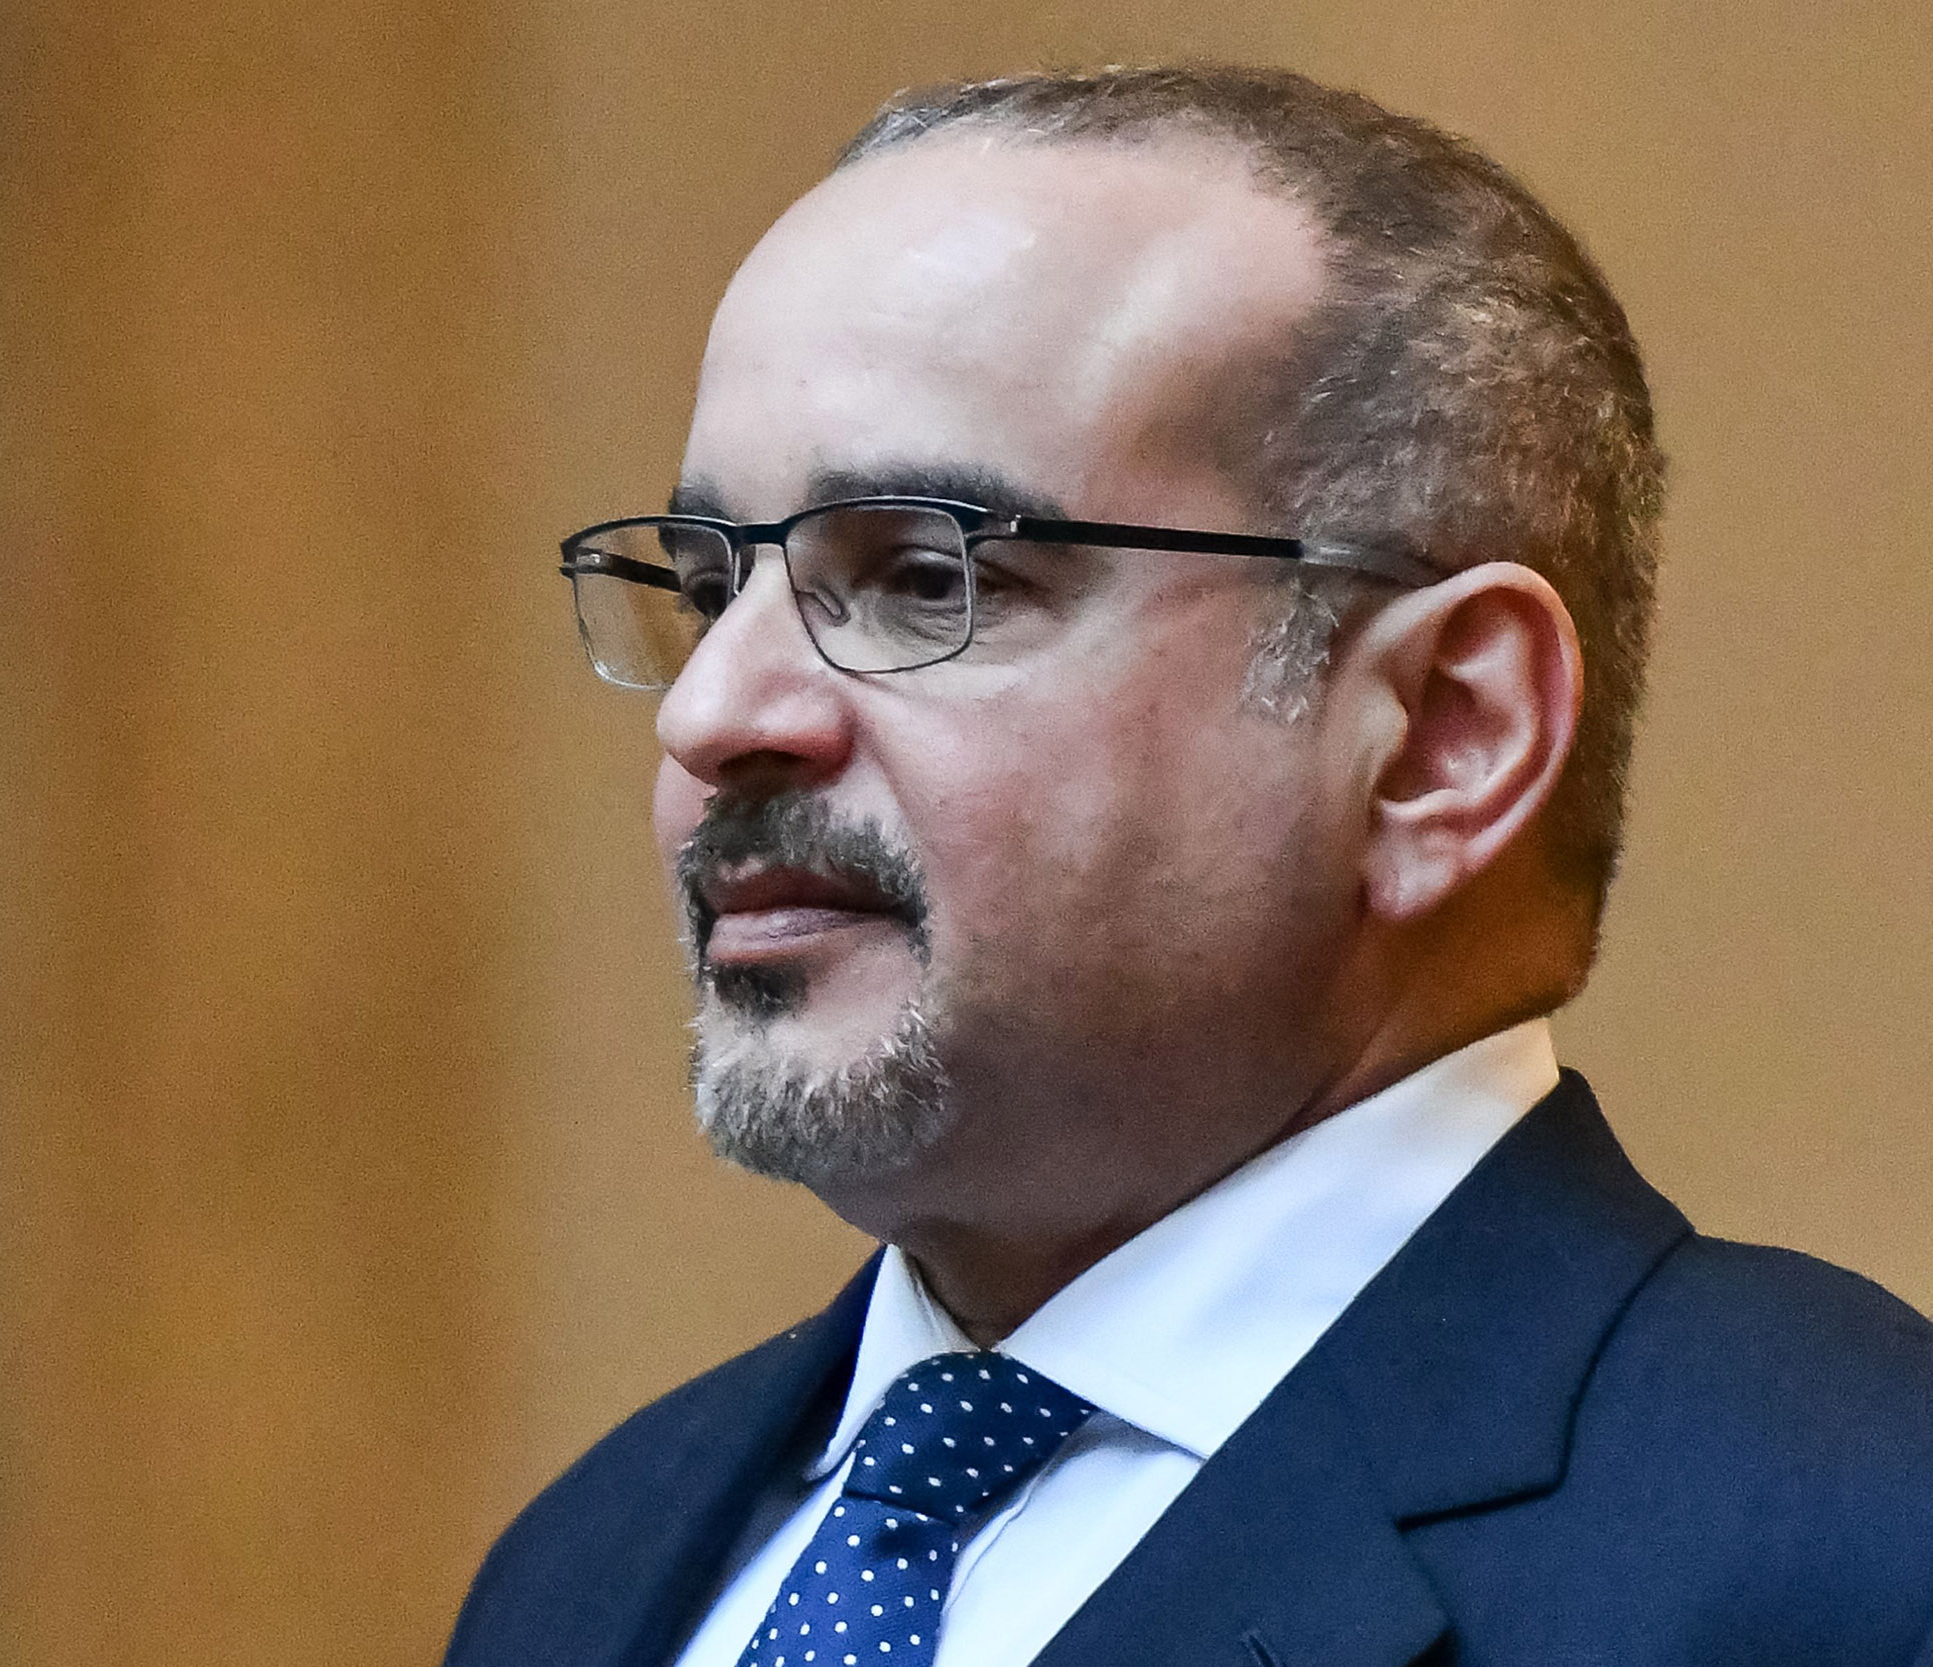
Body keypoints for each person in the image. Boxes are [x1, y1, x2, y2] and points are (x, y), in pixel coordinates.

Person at [444, 66, 1933, 1667]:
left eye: (922, 577)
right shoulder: (593, 1566)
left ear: (1447, 735)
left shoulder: (1853, 1556)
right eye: (703, 580)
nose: (713, 712)